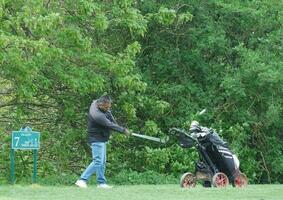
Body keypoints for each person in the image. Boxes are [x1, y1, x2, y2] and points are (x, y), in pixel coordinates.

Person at [75, 95, 130, 189]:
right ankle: (82, 180)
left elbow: (110, 116)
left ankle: (101, 183)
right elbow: (109, 124)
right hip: (96, 138)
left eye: (109, 107)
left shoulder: (96, 102)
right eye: (106, 107)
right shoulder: (98, 115)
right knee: (98, 161)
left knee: (102, 162)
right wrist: (123, 130)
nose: (108, 109)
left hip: (102, 138)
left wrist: (120, 128)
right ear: (100, 105)